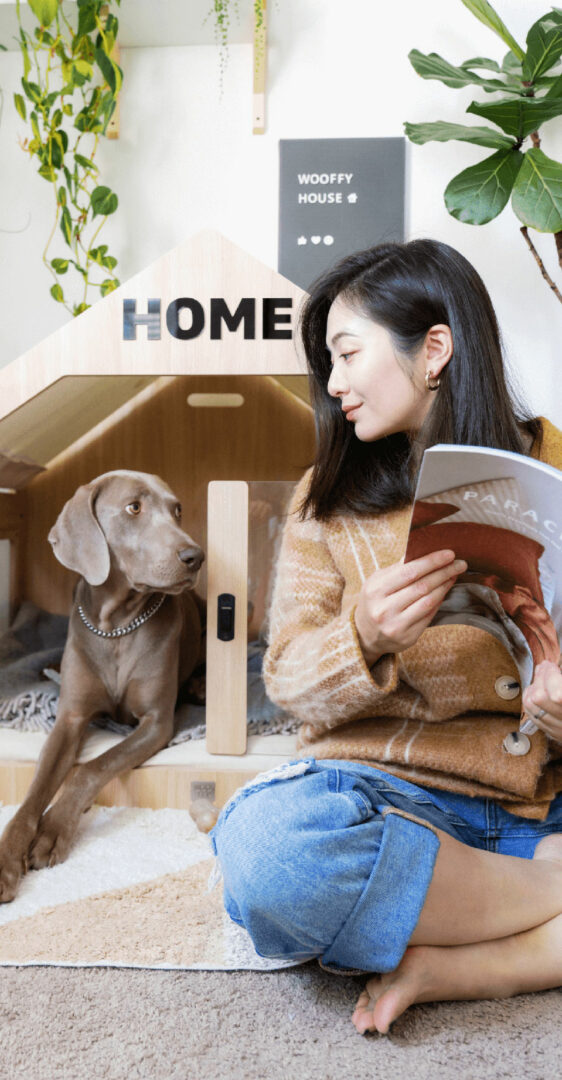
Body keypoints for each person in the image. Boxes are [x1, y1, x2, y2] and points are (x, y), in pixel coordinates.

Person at [208, 239, 562, 1035]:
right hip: (395, 799)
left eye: (346, 354)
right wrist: (363, 634)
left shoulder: (556, 464)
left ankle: (476, 962)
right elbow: (288, 680)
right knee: (272, 857)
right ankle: (546, 903)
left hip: (546, 798)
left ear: (434, 349)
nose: (331, 386)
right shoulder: (324, 501)